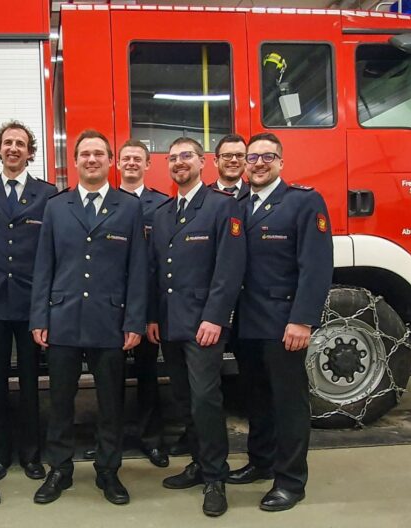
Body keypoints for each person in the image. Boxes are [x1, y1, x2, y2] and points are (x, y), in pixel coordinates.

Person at [30, 129, 147, 506]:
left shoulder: (128, 206)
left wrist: (134, 321)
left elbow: (138, 269)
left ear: (110, 161)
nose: (92, 159)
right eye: (85, 154)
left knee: (111, 403)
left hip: (110, 321)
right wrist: (39, 317)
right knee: (60, 401)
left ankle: (108, 470)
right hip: (62, 318)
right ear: (75, 161)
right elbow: (44, 265)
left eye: (99, 153)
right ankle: (59, 469)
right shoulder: (56, 206)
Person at [229, 132, 333, 512]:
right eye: (252, 157)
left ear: (281, 162)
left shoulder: (303, 202)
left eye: (267, 157)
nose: (258, 163)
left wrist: (302, 320)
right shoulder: (239, 204)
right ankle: (261, 462)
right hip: (245, 323)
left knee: (289, 403)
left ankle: (290, 481)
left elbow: (316, 267)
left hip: (283, 324)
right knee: (256, 398)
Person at [146, 137, 246, 517]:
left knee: (205, 399)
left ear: (203, 162)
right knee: (184, 398)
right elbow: (155, 270)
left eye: (186, 156)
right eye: (173, 158)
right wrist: (153, 316)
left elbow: (229, 268)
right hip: (170, 323)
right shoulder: (162, 213)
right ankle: (199, 464)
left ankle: (216, 478)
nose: (179, 163)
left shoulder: (222, 206)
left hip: (204, 324)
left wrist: (215, 317)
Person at [0, 121, 56, 482]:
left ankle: (31, 454)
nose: (13, 148)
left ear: (30, 152)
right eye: (8, 143)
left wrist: (46, 305)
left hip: (30, 303)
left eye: (20, 143)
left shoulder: (47, 193)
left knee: (31, 383)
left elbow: (51, 251)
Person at [115, 139, 169, 468]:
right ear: (117, 163)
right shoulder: (105, 202)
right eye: (127, 158)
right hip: (111, 308)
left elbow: (163, 262)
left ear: (148, 165)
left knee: (149, 376)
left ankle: (152, 440)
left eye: (138, 159)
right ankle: (111, 440)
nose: (132, 163)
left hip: (147, 307)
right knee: (110, 379)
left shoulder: (161, 206)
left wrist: (154, 314)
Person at [209, 133, 250, 200]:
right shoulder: (204, 196)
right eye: (227, 155)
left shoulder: (254, 194)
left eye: (239, 155)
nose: (234, 160)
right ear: (216, 161)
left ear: (246, 161)